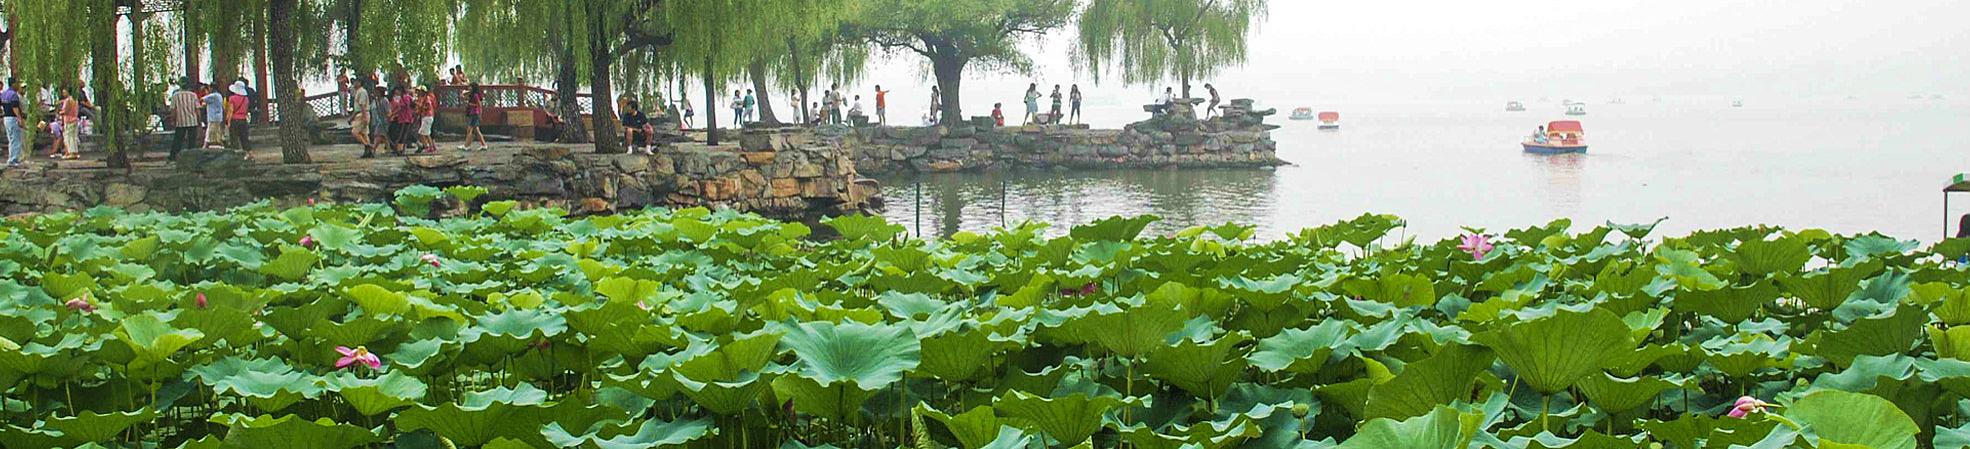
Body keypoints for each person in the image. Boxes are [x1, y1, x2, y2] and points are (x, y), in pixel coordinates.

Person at [168, 80, 203, 160]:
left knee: (178, 140)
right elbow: (197, 110)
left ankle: (174, 156)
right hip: (192, 121)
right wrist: (199, 121)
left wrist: (173, 120)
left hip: (180, 121)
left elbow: (173, 110)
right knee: (192, 141)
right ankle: (192, 157)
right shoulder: (193, 95)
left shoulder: (176, 95)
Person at [2, 78, 25, 167]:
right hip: (13, 118)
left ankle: (11, 158)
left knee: (11, 139)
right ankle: (13, 159)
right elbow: (15, 107)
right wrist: (19, 119)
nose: (18, 86)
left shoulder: (4, 94)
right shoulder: (14, 95)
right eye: (17, 83)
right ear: (13, 84)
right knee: (16, 139)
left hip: (6, 118)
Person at [227, 82, 253, 153]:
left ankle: (236, 153)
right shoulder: (246, 99)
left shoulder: (232, 98)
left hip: (234, 119)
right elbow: (246, 109)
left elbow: (230, 110)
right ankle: (249, 153)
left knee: (234, 138)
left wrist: (228, 121)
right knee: (244, 138)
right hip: (243, 119)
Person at [461, 83, 489, 151]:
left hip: (475, 113)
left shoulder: (475, 95)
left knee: (470, 130)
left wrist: (480, 114)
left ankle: (466, 145)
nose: (469, 88)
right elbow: (464, 96)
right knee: (476, 130)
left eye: (470, 87)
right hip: (473, 113)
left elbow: (479, 105)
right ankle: (483, 144)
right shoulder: (472, 95)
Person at [389, 86, 416, 155]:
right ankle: (400, 149)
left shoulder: (405, 98)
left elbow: (400, 108)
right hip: (404, 118)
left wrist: (392, 114)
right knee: (403, 134)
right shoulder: (406, 97)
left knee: (402, 134)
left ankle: (400, 149)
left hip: (405, 118)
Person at [56, 87, 82, 160]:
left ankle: (71, 152)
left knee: (68, 137)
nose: (63, 94)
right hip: (75, 119)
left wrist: (59, 112)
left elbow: (66, 111)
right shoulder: (75, 100)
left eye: (64, 92)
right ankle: (75, 152)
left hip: (69, 120)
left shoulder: (68, 100)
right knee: (74, 137)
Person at [365, 85, 389, 157]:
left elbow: (388, 111)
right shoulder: (375, 101)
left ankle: (374, 148)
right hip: (377, 120)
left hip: (383, 121)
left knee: (378, 135)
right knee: (383, 136)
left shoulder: (384, 100)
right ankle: (388, 148)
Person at [202, 83, 227, 149]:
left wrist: (207, 93)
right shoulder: (219, 95)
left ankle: (205, 145)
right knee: (217, 132)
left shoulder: (212, 96)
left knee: (210, 131)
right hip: (218, 117)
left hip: (213, 117)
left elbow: (202, 99)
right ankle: (220, 144)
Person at [416, 86, 438, 153]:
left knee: (422, 133)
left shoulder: (427, 98)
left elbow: (428, 106)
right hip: (426, 116)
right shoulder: (423, 98)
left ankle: (427, 146)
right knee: (426, 133)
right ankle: (430, 146)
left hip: (427, 116)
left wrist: (420, 106)